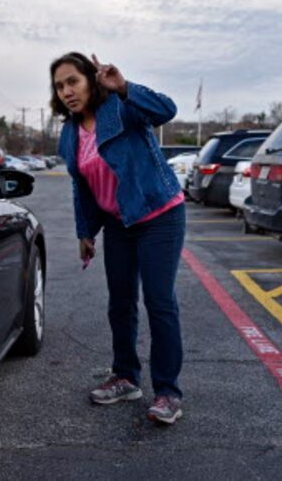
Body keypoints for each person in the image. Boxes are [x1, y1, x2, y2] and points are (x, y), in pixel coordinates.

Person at [53, 51, 186, 425]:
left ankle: (168, 392)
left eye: (73, 82)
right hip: (118, 223)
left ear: (92, 80)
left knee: (159, 302)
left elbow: (166, 110)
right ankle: (126, 377)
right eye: (60, 86)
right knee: (120, 302)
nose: (67, 91)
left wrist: (125, 87)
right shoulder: (69, 133)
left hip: (159, 214)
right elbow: (83, 187)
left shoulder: (121, 108)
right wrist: (86, 231)